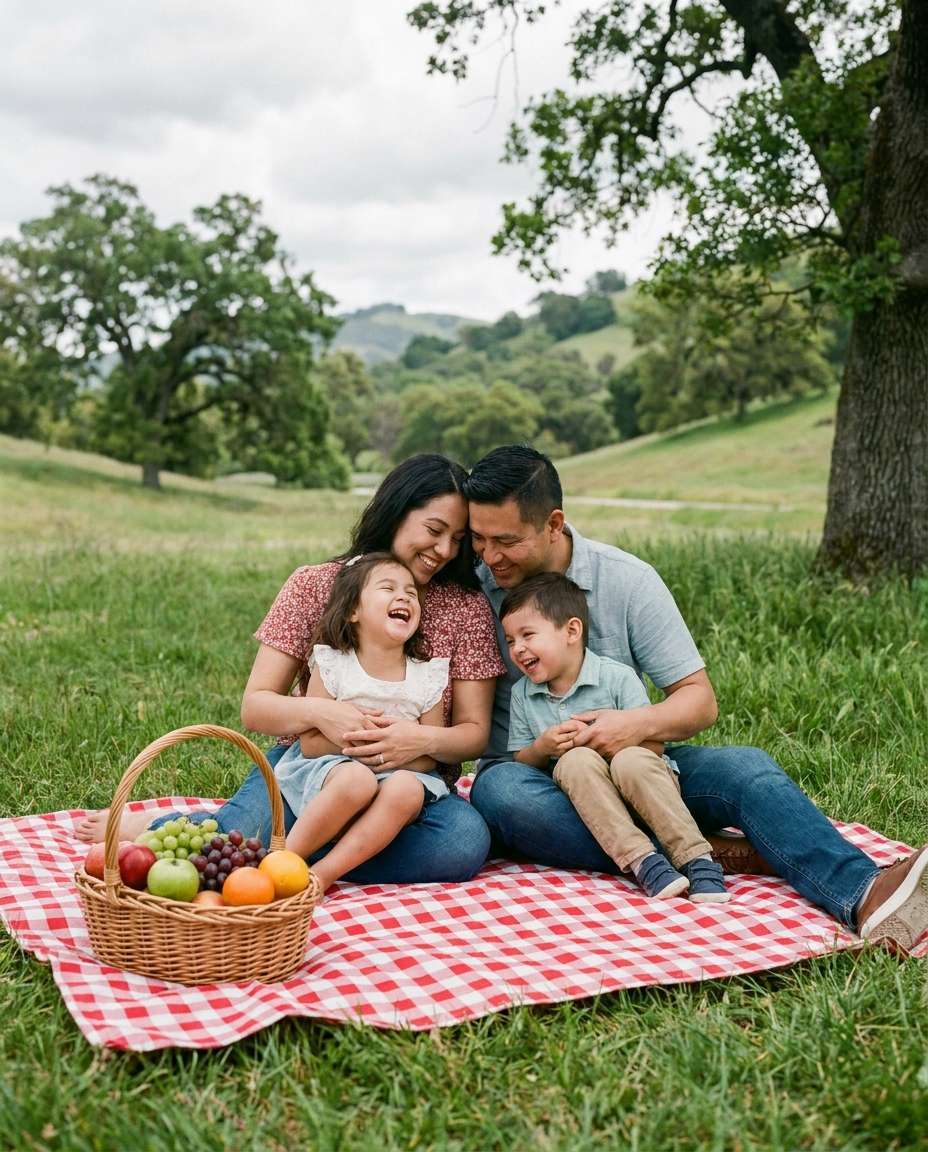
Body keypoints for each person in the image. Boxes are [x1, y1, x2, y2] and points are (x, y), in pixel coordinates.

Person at [464, 444, 928, 954]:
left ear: (553, 523)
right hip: (537, 780)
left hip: (639, 766)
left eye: (505, 541)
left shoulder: (628, 581)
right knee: (497, 793)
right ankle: (713, 852)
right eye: (478, 539)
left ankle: (863, 892)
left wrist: (631, 727)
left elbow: (698, 701)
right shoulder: (472, 587)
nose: (489, 556)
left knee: (745, 768)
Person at [78, 454, 506, 884]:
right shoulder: (315, 585)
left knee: (462, 843)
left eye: (458, 539)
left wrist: (416, 740)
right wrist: (324, 714)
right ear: (396, 511)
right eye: (434, 531)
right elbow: (256, 706)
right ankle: (243, 835)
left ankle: (281, 849)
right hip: (315, 771)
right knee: (240, 846)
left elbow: (473, 732)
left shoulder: (465, 608)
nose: (445, 550)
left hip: (409, 788)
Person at [501, 571, 728, 902]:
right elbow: (521, 759)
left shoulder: (617, 678)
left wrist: (608, 739)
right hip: (590, 804)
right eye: (510, 640)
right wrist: (543, 746)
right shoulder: (523, 693)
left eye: (527, 635)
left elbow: (653, 745)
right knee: (574, 760)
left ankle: (697, 859)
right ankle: (644, 862)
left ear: (572, 631)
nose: (518, 649)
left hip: (645, 787)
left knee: (631, 759)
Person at [274, 552, 452, 891]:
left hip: (399, 771)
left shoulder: (427, 677)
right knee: (357, 779)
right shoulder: (333, 664)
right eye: (388, 588)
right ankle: (282, 861)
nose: (403, 596)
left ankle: (323, 874)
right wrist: (364, 746)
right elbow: (310, 743)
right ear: (354, 611)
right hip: (334, 770)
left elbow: (431, 752)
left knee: (407, 790)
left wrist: (390, 752)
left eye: (411, 592)